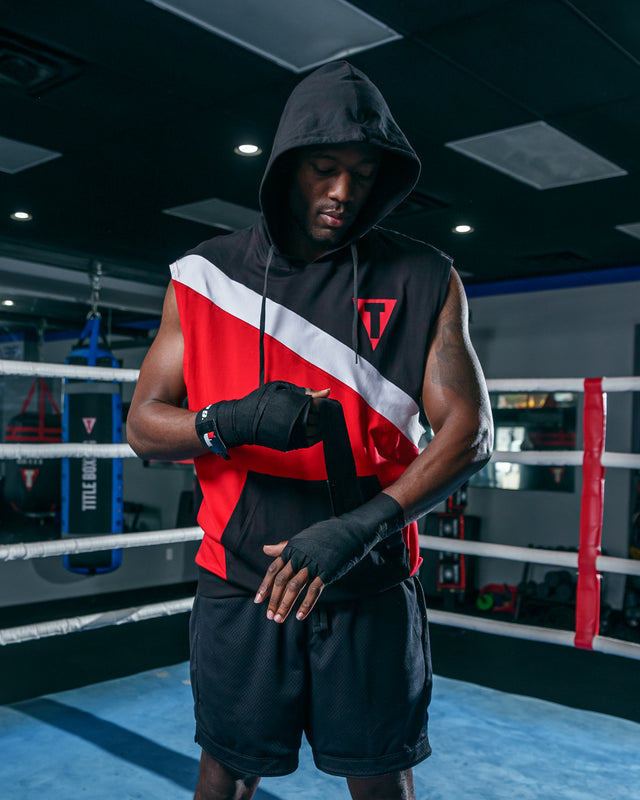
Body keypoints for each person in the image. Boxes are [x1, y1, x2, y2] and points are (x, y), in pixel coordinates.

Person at [127, 60, 493, 800]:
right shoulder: (203, 276)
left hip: (369, 580)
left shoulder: (425, 277)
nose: (343, 192)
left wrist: (359, 528)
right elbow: (143, 425)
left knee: (380, 776)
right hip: (242, 579)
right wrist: (228, 421)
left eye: (363, 174)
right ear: (287, 166)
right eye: (324, 169)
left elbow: (470, 433)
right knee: (226, 771)